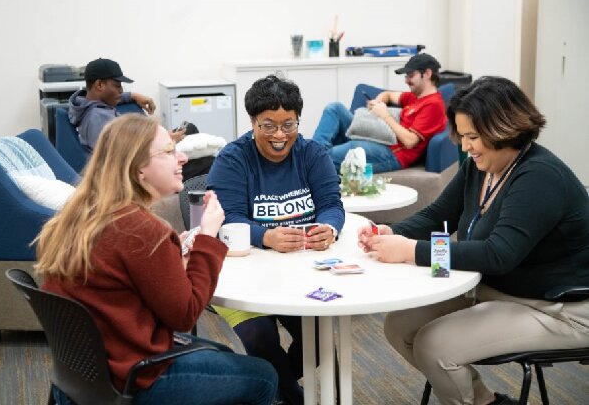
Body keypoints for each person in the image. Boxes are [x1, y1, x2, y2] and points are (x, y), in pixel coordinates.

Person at [357, 76, 589, 405]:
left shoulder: (539, 177)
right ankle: (485, 400)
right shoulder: (482, 166)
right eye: (463, 136)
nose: (465, 147)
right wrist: (393, 233)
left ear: (503, 130)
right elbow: (436, 214)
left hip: (560, 309)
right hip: (499, 289)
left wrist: (412, 252)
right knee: (399, 325)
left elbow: (498, 255)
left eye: (473, 137)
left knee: (434, 345)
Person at [34, 113, 278, 405]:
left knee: (220, 354)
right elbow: (185, 314)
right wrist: (208, 236)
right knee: (263, 376)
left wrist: (176, 253)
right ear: (138, 169)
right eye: (168, 152)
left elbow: (130, 277)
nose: (182, 159)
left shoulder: (82, 216)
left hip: (84, 377)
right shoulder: (140, 230)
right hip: (134, 378)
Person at [207, 75, 345, 405]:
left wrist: (329, 227)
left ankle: (286, 389)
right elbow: (228, 219)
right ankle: (292, 397)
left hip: (300, 270)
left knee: (319, 337)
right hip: (241, 272)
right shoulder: (232, 159)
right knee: (260, 336)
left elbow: (331, 204)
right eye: (268, 125)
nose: (280, 135)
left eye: (289, 124)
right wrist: (265, 235)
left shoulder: (313, 153)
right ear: (253, 122)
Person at [68, 57, 215, 180]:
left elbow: (108, 100)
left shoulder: (87, 104)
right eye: (117, 85)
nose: (121, 91)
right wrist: (165, 144)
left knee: (190, 129)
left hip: (144, 153)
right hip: (140, 173)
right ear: (99, 84)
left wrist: (132, 96)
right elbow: (126, 158)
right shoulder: (98, 119)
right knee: (209, 162)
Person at [312, 53, 447, 172]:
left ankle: (312, 162)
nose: (406, 81)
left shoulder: (433, 105)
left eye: (411, 75)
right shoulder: (414, 96)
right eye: (406, 76)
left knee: (343, 152)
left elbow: (410, 141)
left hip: (392, 153)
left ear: (427, 74)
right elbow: (387, 94)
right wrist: (378, 102)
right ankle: (312, 154)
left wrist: (385, 115)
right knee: (335, 108)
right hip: (380, 136)